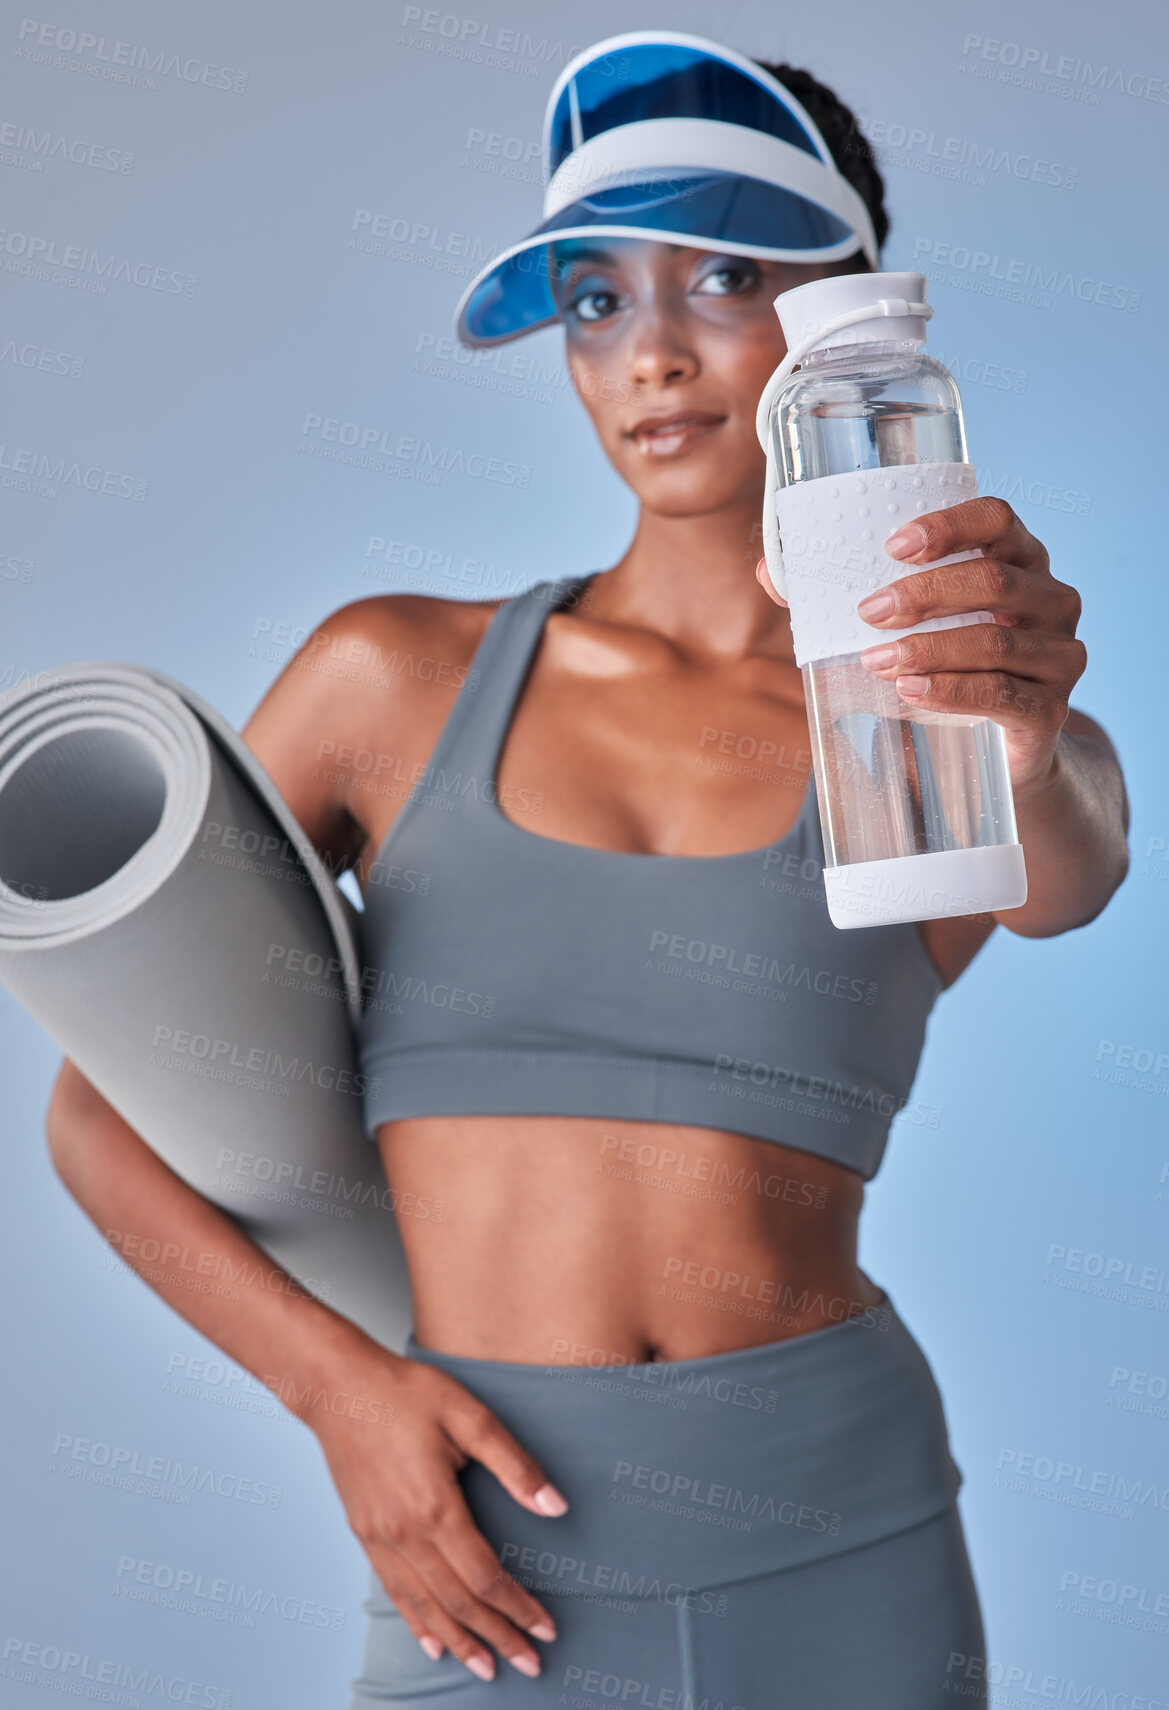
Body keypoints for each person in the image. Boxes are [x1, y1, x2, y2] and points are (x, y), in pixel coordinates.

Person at [46, 31, 1129, 1708]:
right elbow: (98, 1107)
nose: (658, 354)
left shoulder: (927, 715)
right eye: (595, 300)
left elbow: (1069, 868)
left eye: (720, 273)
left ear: (848, 310)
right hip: (485, 1550)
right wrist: (339, 1393)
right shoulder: (391, 678)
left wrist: (1021, 713)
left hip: (840, 1532)